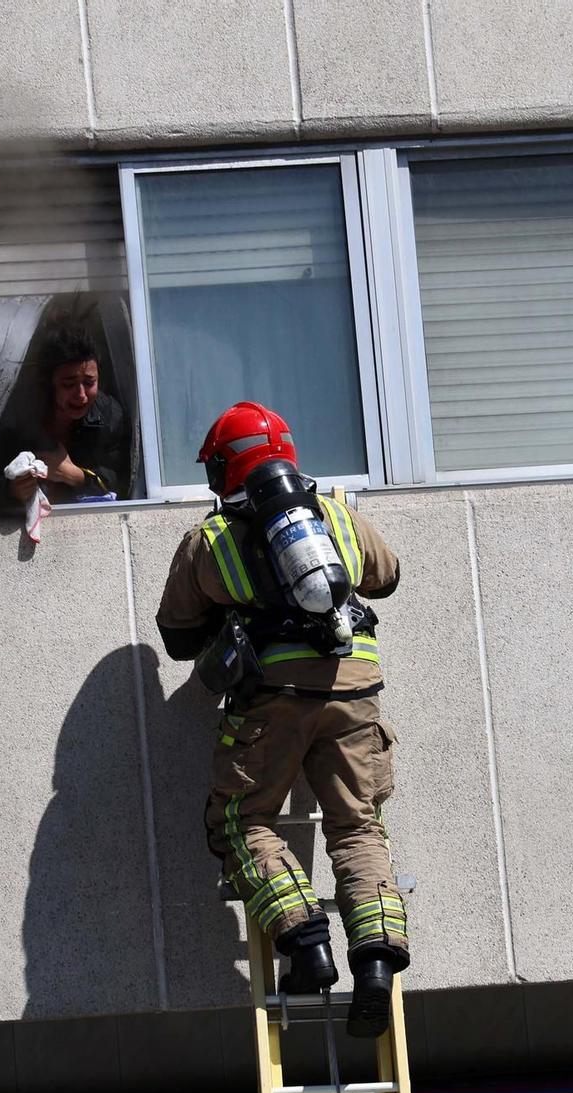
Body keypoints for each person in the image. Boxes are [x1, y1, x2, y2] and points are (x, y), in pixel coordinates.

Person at [155, 402, 410, 1038]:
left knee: (243, 824)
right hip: (356, 690)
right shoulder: (339, 517)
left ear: (222, 469)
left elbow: (178, 638)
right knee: (358, 826)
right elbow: (388, 578)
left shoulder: (210, 542)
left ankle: (306, 946)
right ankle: (375, 964)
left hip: (273, 699)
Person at [0, 324, 133, 509]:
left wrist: (76, 476)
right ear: (49, 383)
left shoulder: (109, 416)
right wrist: (10, 490)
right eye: (68, 384)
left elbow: (124, 486)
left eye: (89, 382)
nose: (81, 395)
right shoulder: (13, 418)